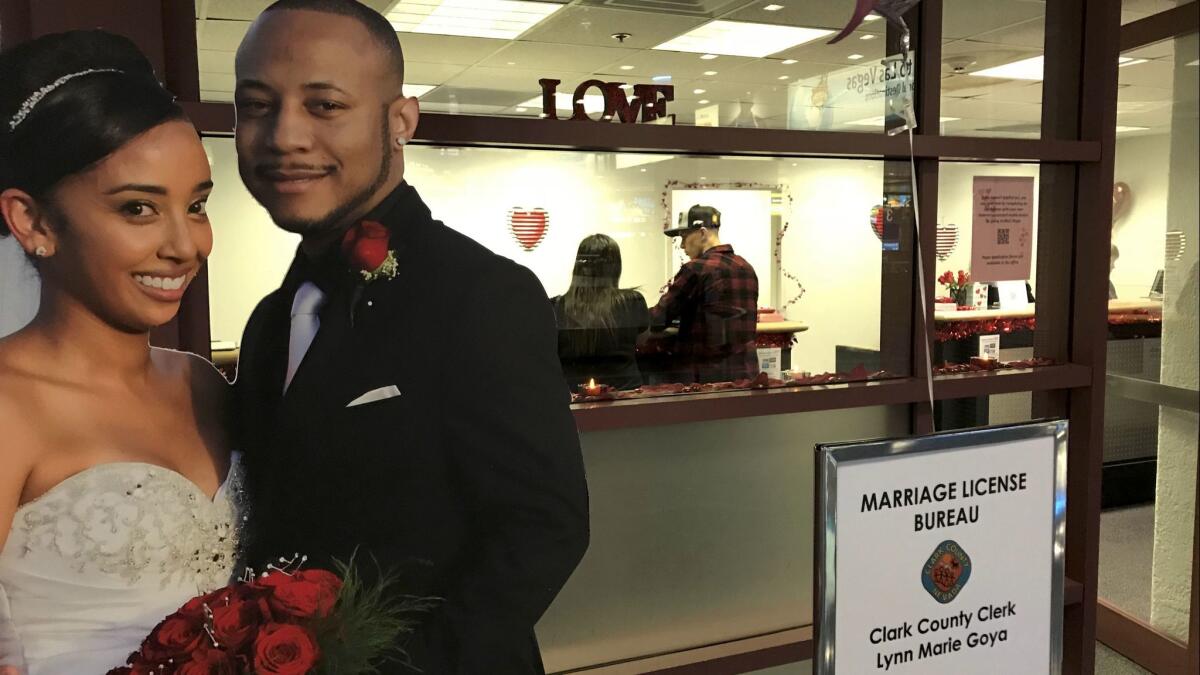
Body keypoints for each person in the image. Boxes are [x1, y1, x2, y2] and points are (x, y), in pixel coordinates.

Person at [230, 1, 590, 672]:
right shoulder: (266, 324)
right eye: (255, 106)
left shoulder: (483, 294)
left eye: (324, 105)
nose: (283, 136)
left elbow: (545, 527)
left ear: (401, 122)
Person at [0, 31, 241, 674]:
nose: (184, 245)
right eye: (139, 208)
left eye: (196, 206)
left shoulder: (202, 384)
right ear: (34, 222)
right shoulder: (6, 402)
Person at [651, 204, 760, 383]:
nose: (681, 245)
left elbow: (660, 317)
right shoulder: (746, 267)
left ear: (702, 233)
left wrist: (631, 315)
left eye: (684, 237)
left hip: (704, 378)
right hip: (745, 373)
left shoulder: (695, 269)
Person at [551, 234, 649, 391]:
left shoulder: (555, 306)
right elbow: (642, 341)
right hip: (625, 395)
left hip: (573, 397)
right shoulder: (632, 301)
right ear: (615, 267)